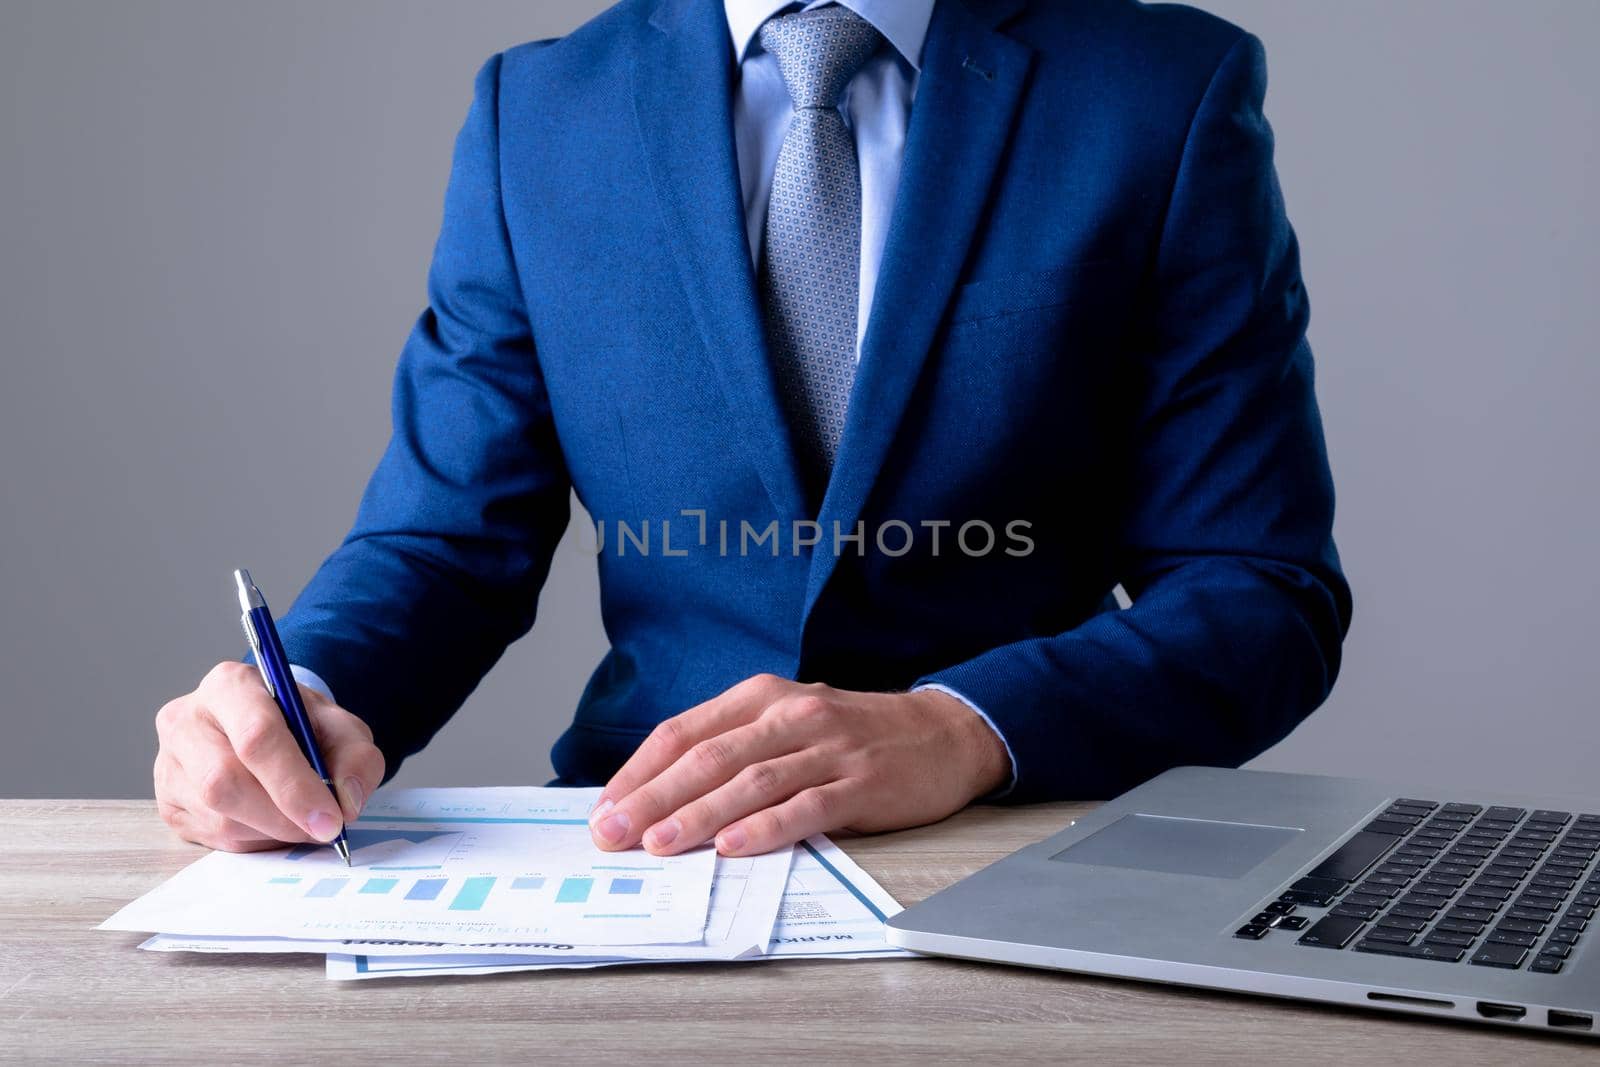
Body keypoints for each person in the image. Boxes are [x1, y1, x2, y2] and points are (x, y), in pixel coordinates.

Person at [153, 0, 1352, 861]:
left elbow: (1257, 589)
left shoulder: (1160, 93)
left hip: (1026, 846)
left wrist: (964, 729)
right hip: (644, 845)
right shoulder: (538, 111)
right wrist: (299, 698)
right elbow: (445, 541)